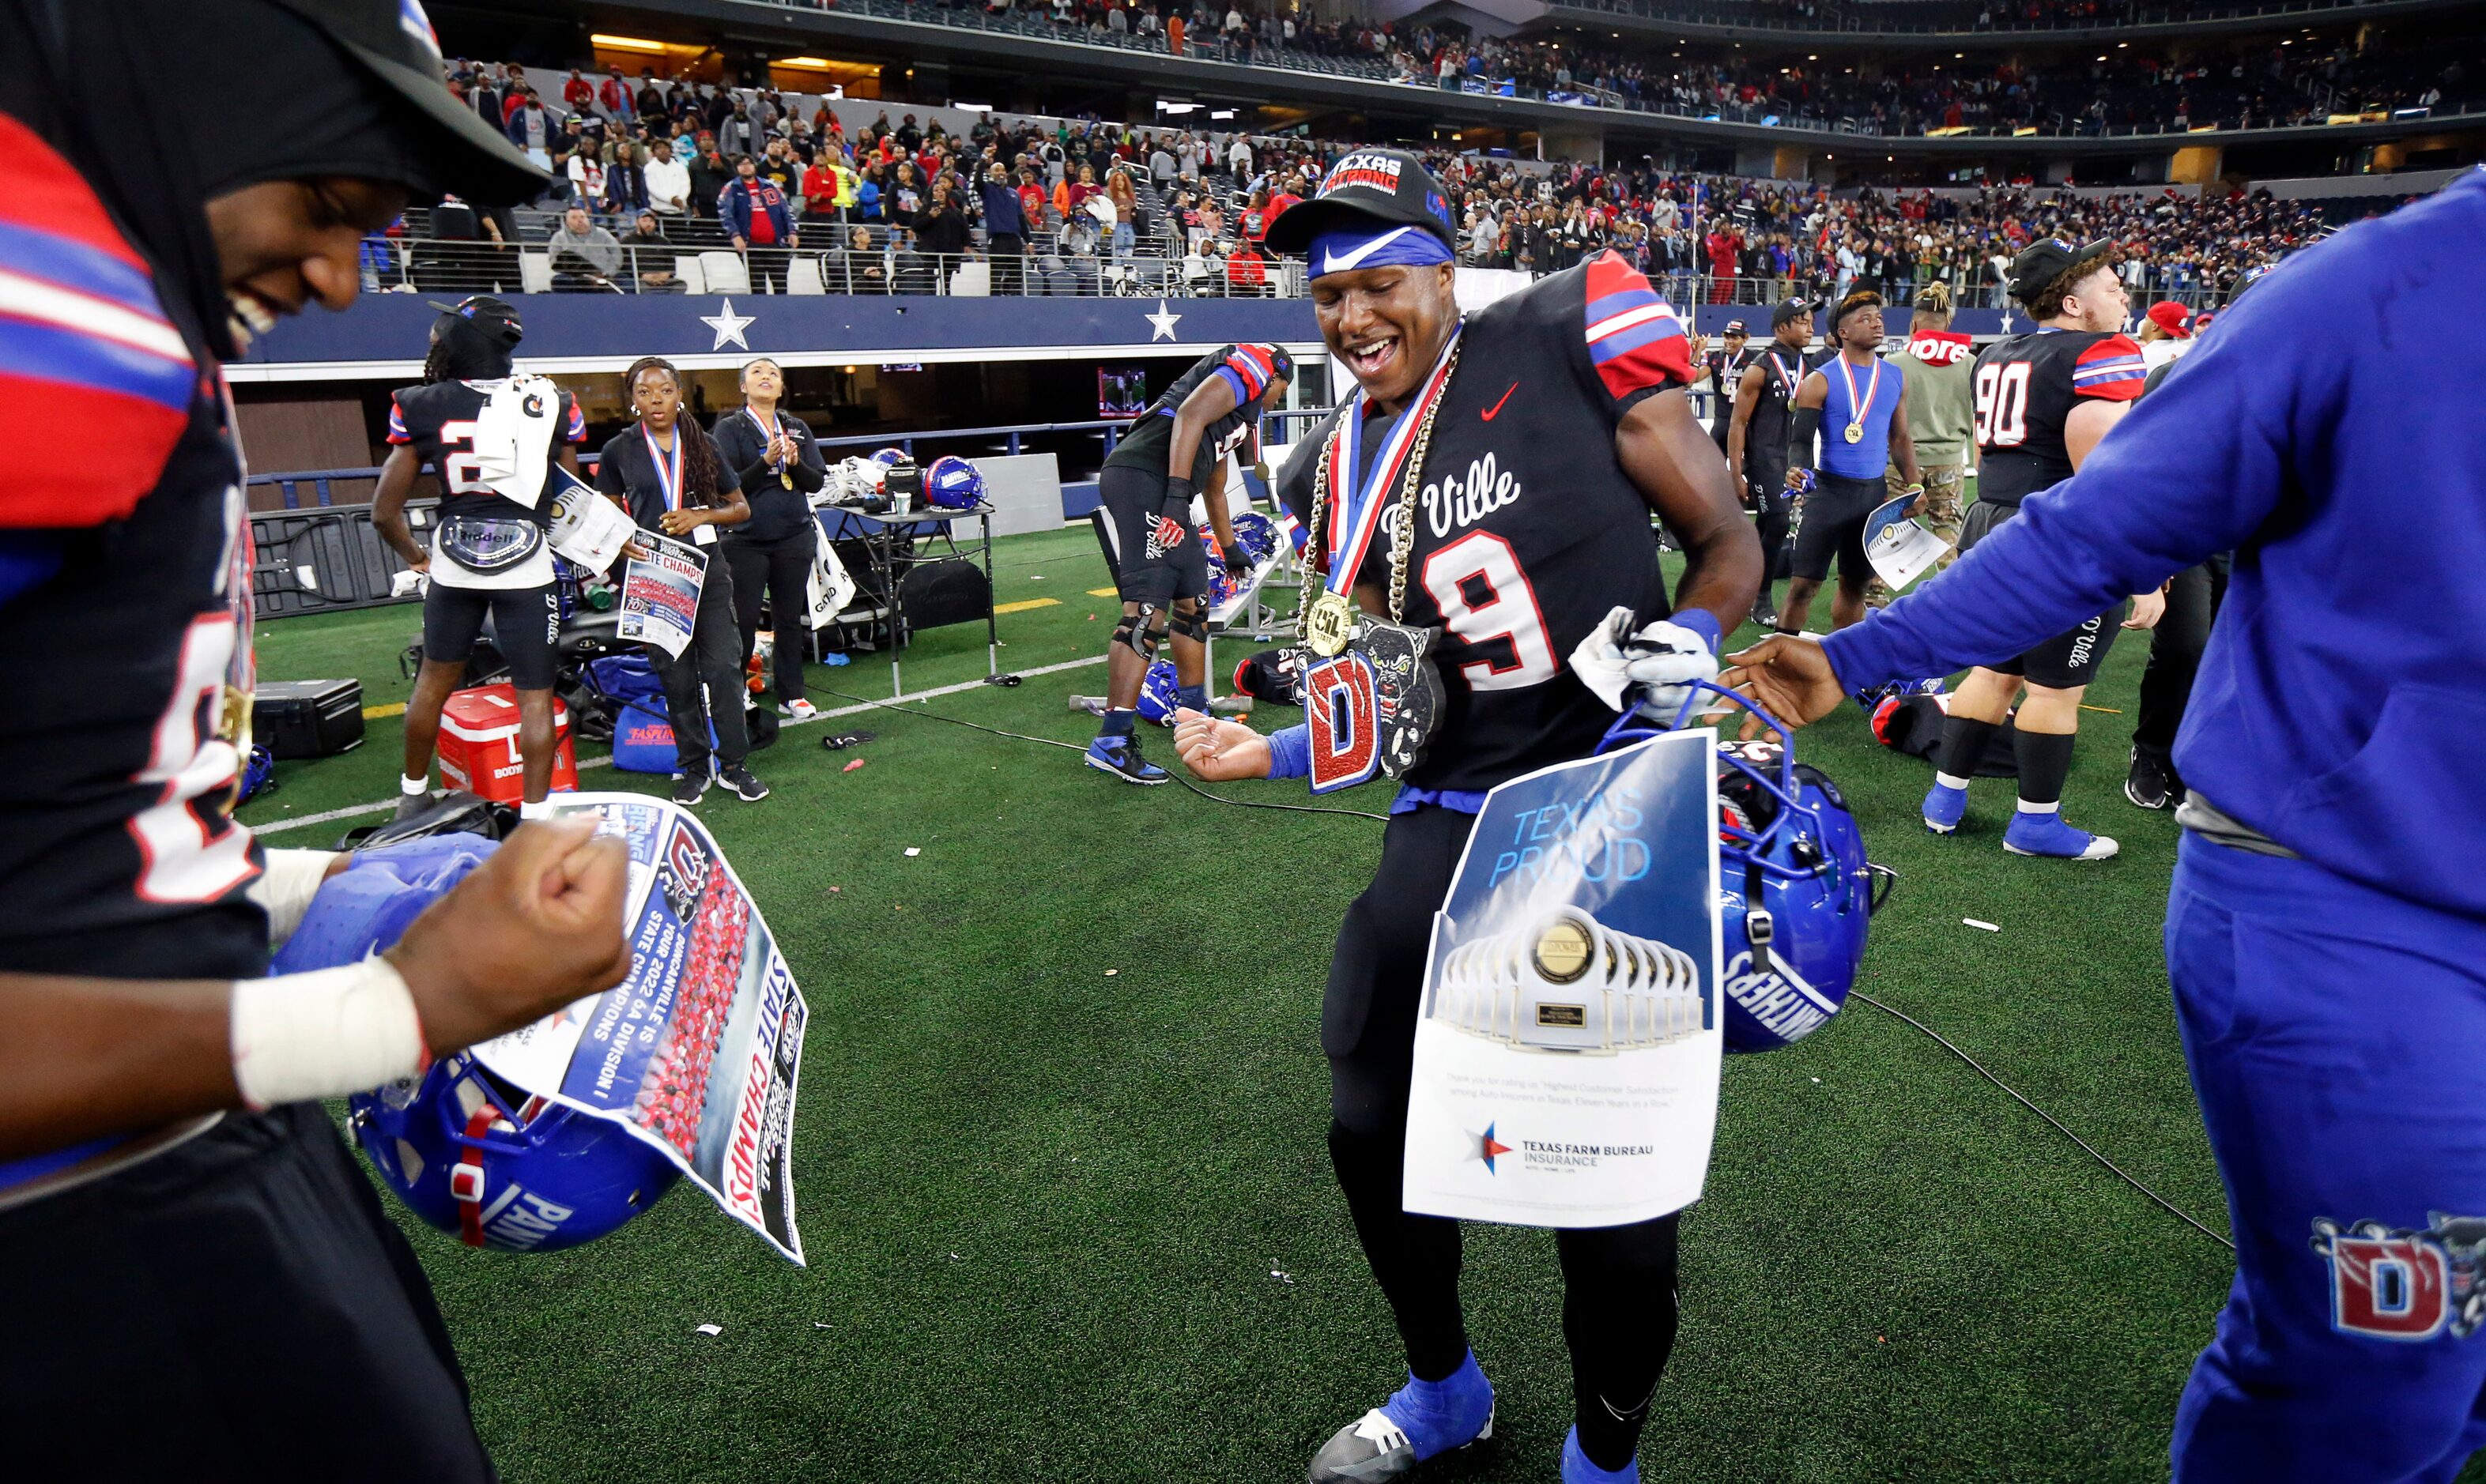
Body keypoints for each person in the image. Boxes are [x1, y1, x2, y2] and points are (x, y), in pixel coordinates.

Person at [1727, 170, 2486, 1484]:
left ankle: (1978, 802)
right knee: (2381, 1373)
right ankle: (2010, 810)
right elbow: (2101, 512)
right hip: (2362, 900)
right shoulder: (2366, 289)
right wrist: (1857, 656)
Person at [0, 2, 632, 1478]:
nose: (347, 278)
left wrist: (312, 883)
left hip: (187, 1116)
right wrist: (383, 1012)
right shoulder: (51, 319)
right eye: (328, 203)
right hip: (77, 1227)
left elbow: (74, 814)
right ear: (195, 93)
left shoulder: (131, 301)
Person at [1179, 148, 1760, 1484]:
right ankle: (1444, 1387)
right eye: (1327, 295)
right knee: (1367, 1126)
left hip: (1601, 812)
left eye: (1379, 280)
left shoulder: (1568, 326)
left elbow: (1730, 542)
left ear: (1442, 269)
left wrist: (1690, 630)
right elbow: (1383, 694)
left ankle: (1604, 1457)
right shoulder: (1335, 464)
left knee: (1612, 1202)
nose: (1349, 317)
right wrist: (1259, 752)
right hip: (1445, 815)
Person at [1914, 237, 2160, 860]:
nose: (2123, 294)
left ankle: (1945, 798)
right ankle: (2034, 823)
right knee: (2052, 689)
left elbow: (1987, 455)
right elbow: (2102, 477)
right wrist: (2142, 571)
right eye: (2111, 284)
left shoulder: (1996, 352)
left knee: (1992, 670)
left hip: (1990, 520)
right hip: (2058, 534)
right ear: (2074, 303)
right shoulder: (2102, 353)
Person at [372, 297, 589, 816]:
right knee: (534, 696)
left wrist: (416, 555)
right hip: (527, 559)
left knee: (432, 684)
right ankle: (536, 815)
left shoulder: (417, 402)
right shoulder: (553, 400)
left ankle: (412, 796)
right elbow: (571, 497)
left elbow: (383, 512)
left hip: (454, 557)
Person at [1081, 341, 1290, 783]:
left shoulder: (1234, 419)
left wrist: (1231, 548)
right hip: (1143, 476)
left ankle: (1193, 715)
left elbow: (1214, 486)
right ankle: (1112, 740)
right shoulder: (1252, 367)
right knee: (1146, 610)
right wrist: (1176, 499)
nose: (1279, 401)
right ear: (1275, 376)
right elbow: (1190, 415)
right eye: (1282, 391)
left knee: (1195, 603)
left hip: (1166, 485)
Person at [596, 358, 769, 804]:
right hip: (654, 573)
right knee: (675, 676)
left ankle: (733, 764)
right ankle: (694, 766)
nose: (656, 400)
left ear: (680, 395)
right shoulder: (619, 449)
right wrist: (620, 545)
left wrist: (702, 514)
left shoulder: (704, 444)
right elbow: (608, 514)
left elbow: (741, 508)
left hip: (706, 567)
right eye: (645, 392)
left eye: (666, 390)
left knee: (724, 669)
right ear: (633, 400)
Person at [1775, 289, 1923, 637]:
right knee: (1804, 586)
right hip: (1829, 495)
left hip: (1872, 497)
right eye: (1865, 319)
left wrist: (1915, 484)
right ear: (1842, 332)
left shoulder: (1893, 376)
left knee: (1855, 587)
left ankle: (1845, 662)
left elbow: (1900, 439)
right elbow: (1799, 440)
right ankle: (1779, 663)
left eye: (1878, 317)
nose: (1876, 324)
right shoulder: (1819, 380)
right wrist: (1798, 468)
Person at [711, 358, 827, 721]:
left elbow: (816, 482)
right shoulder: (729, 429)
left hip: (793, 535)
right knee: (743, 621)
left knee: (789, 620)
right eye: (757, 373)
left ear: (781, 388)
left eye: (773, 374)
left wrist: (793, 464)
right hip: (745, 540)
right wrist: (765, 461)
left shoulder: (796, 427)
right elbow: (725, 486)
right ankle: (738, 691)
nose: (766, 377)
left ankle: (791, 694)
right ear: (743, 387)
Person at [1865, 280, 1975, 607]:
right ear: (1948, 324)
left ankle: (1875, 600)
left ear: (1914, 324)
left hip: (1900, 461)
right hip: (1950, 458)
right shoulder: (1969, 362)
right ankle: (1952, 603)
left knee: (1889, 530)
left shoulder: (1894, 363)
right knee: (1947, 529)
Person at [1723, 296, 1820, 629]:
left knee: (1768, 526)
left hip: (1791, 461)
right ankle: (1759, 599)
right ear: (1781, 328)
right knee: (1778, 523)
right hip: (1763, 458)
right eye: (1802, 321)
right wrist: (1736, 473)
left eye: (1811, 320)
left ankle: (1741, 579)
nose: (1810, 326)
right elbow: (1738, 423)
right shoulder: (1759, 367)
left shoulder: (1809, 367)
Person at [720, 153, 797, 289]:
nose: (746, 167)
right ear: (736, 168)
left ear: (754, 166)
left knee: (781, 287)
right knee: (757, 289)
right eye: (741, 164)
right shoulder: (731, 189)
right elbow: (726, 214)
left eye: (749, 163)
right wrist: (735, 235)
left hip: (777, 245)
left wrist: (792, 231)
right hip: (751, 246)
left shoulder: (770, 186)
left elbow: (786, 210)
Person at [545, 203, 621, 292]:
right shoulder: (559, 237)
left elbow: (617, 255)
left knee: (623, 280)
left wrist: (607, 273)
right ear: (566, 222)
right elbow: (554, 260)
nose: (580, 220)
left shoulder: (603, 233)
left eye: (582, 217)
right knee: (559, 280)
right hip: (575, 278)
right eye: (574, 218)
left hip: (604, 275)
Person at [2137, 298, 2194, 371]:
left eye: (2146, 319)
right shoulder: (2189, 353)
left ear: (2155, 326)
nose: (2143, 323)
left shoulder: (2141, 356)